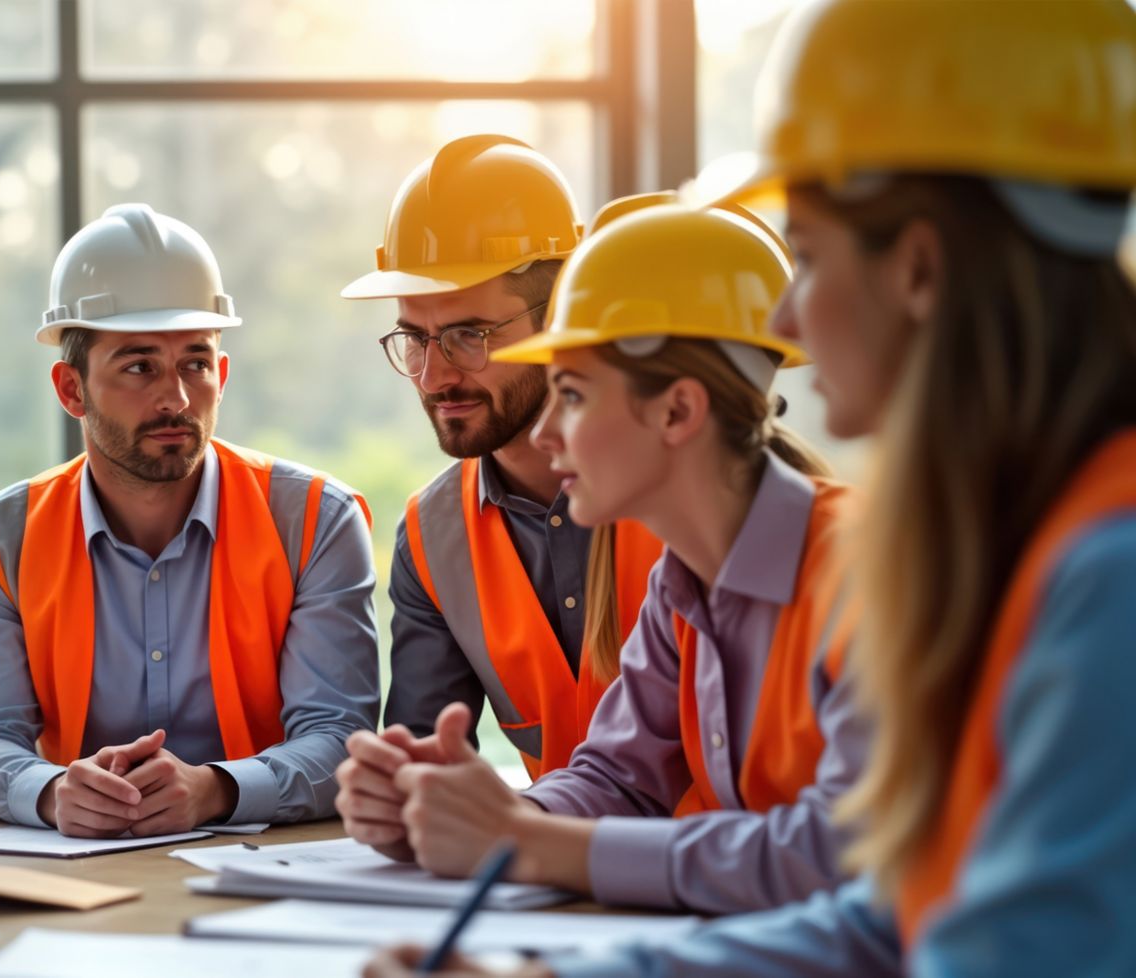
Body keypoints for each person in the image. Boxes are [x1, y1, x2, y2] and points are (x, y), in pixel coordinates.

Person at [367, 0, 1136, 973]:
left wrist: (535, 849)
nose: (783, 322)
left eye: (805, 255)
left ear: (917, 268)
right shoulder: (1011, 547)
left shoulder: (1103, 573)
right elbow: (888, 918)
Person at [371, 198, 864, 915]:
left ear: (678, 412)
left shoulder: (866, 577)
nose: (547, 436)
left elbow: (842, 857)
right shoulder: (684, 583)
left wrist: (530, 843)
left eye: (571, 395)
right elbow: (620, 778)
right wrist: (484, 820)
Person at [0, 203, 379, 837]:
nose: (175, 398)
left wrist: (217, 789)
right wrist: (55, 793)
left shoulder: (315, 520)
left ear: (221, 376)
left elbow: (341, 737)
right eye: (139, 367)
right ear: (71, 389)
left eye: (195, 364)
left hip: (266, 867)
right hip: (82, 870)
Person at [334, 137, 667, 865]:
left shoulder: (677, 496)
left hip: (709, 883)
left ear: (561, 316)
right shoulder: (433, 536)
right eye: (415, 339)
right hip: (547, 880)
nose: (434, 376)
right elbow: (427, 761)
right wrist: (397, 799)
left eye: (469, 335)